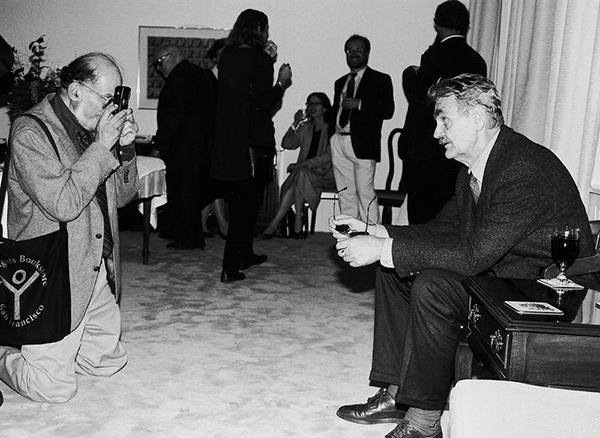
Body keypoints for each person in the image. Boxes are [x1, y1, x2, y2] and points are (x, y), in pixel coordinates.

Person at [330, 74, 594, 438]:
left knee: (432, 284)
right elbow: (442, 229)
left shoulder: (523, 167)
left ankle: (423, 423)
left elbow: (473, 256)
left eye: (445, 120)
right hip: (503, 273)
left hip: (545, 287)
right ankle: (396, 394)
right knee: (393, 268)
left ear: (478, 118)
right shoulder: (473, 170)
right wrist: (379, 233)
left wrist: (384, 249)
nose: (437, 132)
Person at [0, 52, 139, 403]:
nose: (111, 110)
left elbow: (122, 197)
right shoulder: (30, 131)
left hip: (91, 263)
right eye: (106, 99)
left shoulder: (89, 130)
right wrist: (102, 146)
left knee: (107, 362)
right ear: (76, 91)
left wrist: (124, 150)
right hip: (53, 269)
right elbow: (63, 204)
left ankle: (67, 346)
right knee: (53, 389)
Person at [210, 8, 292, 283]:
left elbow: (241, 92)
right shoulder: (260, 59)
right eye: (266, 28)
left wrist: (264, 58)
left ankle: (245, 254)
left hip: (228, 143)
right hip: (252, 144)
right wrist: (281, 82)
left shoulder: (227, 55)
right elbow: (263, 102)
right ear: (258, 29)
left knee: (240, 204)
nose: (267, 33)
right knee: (246, 208)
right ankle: (230, 267)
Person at [398, 0, 487, 225]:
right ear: (465, 25)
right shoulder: (477, 60)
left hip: (427, 145)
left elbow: (421, 95)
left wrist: (412, 75)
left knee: (421, 212)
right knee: (450, 209)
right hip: (462, 144)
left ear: (437, 24)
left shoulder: (434, 55)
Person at [152, 43, 215, 249]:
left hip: (183, 148)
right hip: (201, 147)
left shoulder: (178, 78)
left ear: (172, 56)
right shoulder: (199, 74)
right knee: (191, 195)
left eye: (159, 62)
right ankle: (187, 234)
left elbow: (172, 117)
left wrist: (159, 146)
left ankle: (188, 239)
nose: (159, 69)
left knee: (183, 194)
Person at [329, 34, 394, 225]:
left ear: (367, 53)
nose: (354, 53)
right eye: (350, 50)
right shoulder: (340, 82)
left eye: (359, 50)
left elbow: (388, 110)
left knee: (365, 192)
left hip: (364, 142)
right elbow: (335, 110)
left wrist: (360, 104)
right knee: (345, 192)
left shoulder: (380, 79)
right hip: (339, 140)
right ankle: (350, 233)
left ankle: (372, 232)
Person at [258, 92, 336, 240]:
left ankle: (275, 224)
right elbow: (287, 144)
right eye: (309, 104)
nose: (312, 107)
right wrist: (295, 124)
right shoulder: (306, 127)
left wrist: (300, 165)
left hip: (324, 176)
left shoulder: (332, 130)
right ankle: (297, 220)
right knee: (301, 175)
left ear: (325, 108)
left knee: (300, 173)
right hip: (303, 174)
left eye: (316, 104)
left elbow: (326, 157)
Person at [201, 38, 229, 240]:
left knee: (217, 183)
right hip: (209, 138)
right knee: (213, 183)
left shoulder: (233, 78)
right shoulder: (205, 77)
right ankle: (222, 223)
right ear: (214, 56)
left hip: (226, 138)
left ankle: (204, 223)